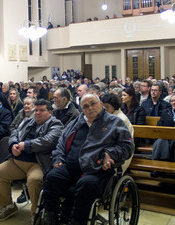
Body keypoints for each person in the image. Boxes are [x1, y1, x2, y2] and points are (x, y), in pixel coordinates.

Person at [41, 94, 134, 225]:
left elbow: (127, 146)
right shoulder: (76, 122)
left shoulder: (115, 122)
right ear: (82, 110)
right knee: (52, 177)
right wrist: (58, 159)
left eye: (93, 103)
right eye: (85, 106)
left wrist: (110, 153)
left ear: (101, 104)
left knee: (85, 185)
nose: (90, 108)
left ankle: (76, 221)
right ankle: (51, 217)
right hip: (70, 167)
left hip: (96, 170)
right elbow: (61, 143)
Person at [0, 99, 63, 222]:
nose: (37, 113)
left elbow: (48, 141)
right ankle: (9, 205)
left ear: (50, 112)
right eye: (36, 110)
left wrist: (26, 145)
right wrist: (13, 145)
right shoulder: (29, 121)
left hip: (38, 163)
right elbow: (14, 131)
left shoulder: (56, 124)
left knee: (34, 180)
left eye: (42, 110)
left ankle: (35, 214)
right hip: (17, 162)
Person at [151, 95, 175, 171]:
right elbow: (159, 126)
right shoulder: (166, 112)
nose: (174, 103)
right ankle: (158, 168)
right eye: (172, 101)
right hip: (165, 137)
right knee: (160, 141)